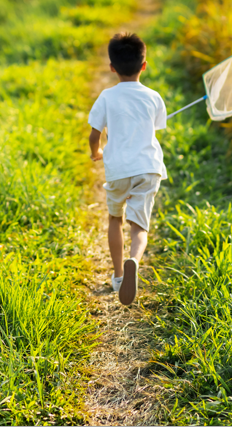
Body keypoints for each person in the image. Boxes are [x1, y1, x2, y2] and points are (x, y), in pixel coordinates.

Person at [88, 32, 167, 305]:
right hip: (148, 168)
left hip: (119, 169)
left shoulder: (107, 97)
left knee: (115, 219)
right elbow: (153, 128)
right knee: (139, 227)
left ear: (112, 67)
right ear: (144, 66)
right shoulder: (154, 97)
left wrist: (96, 152)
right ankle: (135, 258)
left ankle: (120, 275)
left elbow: (94, 135)